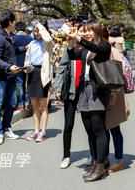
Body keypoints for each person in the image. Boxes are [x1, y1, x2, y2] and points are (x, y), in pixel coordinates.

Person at [69, 23, 113, 182]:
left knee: (98, 128)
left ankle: (101, 165)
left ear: (97, 32)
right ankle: (95, 160)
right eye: (85, 31)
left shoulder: (104, 46)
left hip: (97, 91)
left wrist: (79, 39)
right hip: (84, 89)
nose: (87, 34)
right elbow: (73, 55)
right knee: (88, 128)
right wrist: (71, 42)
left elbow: (99, 51)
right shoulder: (86, 49)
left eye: (89, 31)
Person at [53, 24, 87, 169]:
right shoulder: (70, 48)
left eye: (84, 31)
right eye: (79, 31)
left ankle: (93, 153)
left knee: (89, 125)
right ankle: (66, 155)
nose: (82, 33)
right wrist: (58, 88)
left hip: (86, 90)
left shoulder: (90, 48)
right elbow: (61, 67)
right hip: (71, 89)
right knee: (68, 124)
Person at [0, 11, 23, 145]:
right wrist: (8, 67)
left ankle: (7, 128)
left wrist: (26, 48)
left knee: (11, 104)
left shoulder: (10, 37)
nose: (15, 24)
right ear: (10, 22)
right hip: (0, 78)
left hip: (11, 76)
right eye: (14, 21)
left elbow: (13, 51)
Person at [24, 22, 54, 143]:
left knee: (44, 106)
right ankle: (36, 130)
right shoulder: (31, 43)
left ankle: (43, 131)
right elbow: (27, 59)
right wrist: (25, 67)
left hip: (43, 74)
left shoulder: (47, 43)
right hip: (32, 73)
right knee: (35, 106)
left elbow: (48, 38)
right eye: (35, 31)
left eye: (38, 31)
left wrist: (41, 27)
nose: (36, 33)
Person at [106, 39, 131, 173]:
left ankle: (119, 160)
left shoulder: (113, 52)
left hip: (114, 95)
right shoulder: (102, 50)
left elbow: (118, 76)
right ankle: (104, 158)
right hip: (106, 94)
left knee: (114, 128)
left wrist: (115, 96)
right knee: (105, 129)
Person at [13, 23, 34, 111]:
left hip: (17, 64)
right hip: (29, 64)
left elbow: (13, 50)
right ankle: (28, 103)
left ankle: (21, 104)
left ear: (16, 29)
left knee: (19, 83)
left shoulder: (13, 38)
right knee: (28, 83)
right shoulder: (30, 38)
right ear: (24, 29)